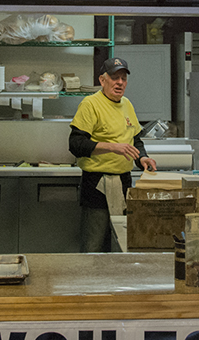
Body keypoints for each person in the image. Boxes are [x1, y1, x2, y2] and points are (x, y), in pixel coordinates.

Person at [69, 57, 157, 252]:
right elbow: (75, 144)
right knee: (94, 243)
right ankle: (90, 281)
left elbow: (136, 140)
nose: (120, 83)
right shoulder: (90, 104)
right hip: (97, 184)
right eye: (115, 78)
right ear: (102, 80)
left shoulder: (127, 104)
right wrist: (111, 147)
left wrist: (141, 157)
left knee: (120, 243)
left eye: (123, 79)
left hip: (124, 183)